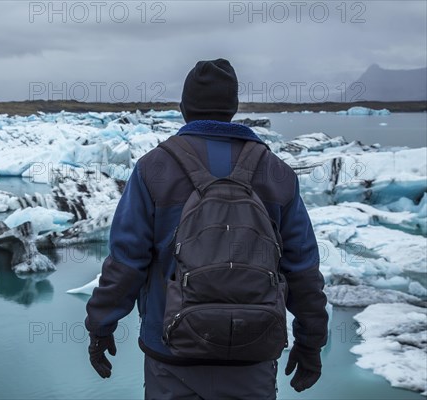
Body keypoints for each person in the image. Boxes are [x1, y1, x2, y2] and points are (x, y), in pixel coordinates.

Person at [85, 58, 328, 399]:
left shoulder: (154, 168)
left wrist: (100, 326)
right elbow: (302, 268)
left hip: (171, 353)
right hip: (253, 353)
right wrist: (311, 342)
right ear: (234, 107)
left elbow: (127, 261)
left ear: (184, 108)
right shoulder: (276, 172)